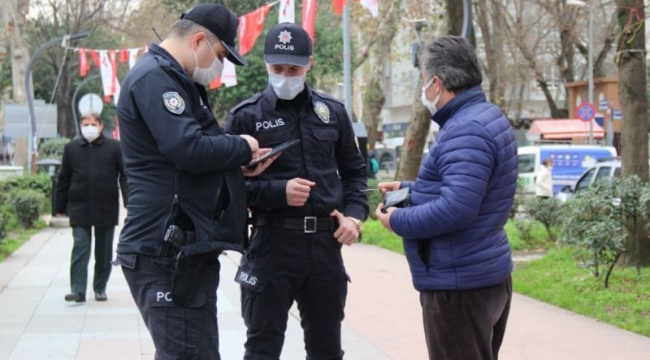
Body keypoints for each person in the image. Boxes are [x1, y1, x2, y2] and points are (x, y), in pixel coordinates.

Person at [115, 4, 274, 359]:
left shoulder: (174, 79)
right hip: (165, 252)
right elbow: (188, 148)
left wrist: (236, 169)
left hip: (183, 249)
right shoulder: (155, 78)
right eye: (220, 55)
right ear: (199, 40)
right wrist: (242, 147)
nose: (219, 68)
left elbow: (183, 161)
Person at [225, 22, 369, 360]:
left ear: (310, 64)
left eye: (294, 69)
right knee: (262, 346)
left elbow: (354, 173)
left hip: (324, 247)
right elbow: (228, 189)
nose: (285, 76)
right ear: (265, 64)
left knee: (327, 348)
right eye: (277, 69)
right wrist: (277, 191)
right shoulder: (246, 117)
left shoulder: (331, 113)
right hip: (271, 246)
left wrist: (354, 217)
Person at [375, 36, 518, 360]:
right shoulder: (485, 116)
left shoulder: (466, 129)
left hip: (460, 284)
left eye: (423, 80)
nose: (423, 88)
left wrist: (397, 219)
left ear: (437, 83)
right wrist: (408, 190)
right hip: (482, 272)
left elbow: (456, 208)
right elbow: (466, 189)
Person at [55, 112, 128, 303]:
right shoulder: (71, 148)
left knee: (104, 251)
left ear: (101, 126)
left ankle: (100, 287)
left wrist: (130, 201)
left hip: (106, 205)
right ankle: (78, 290)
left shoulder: (114, 147)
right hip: (79, 206)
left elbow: (125, 175)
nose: (89, 128)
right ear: (80, 127)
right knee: (80, 246)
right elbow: (63, 178)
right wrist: (59, 206)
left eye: (93, 124)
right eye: (85, 124)